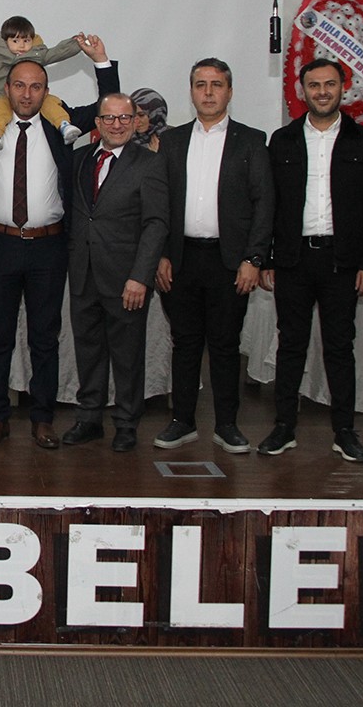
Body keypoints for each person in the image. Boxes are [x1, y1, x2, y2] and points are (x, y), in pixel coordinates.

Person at [0, 18, 119, 449]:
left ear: (46, 90)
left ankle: (42, 420)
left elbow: (107, 104)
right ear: (6, 87)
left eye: (36, 87)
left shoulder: (62, 125)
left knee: (44, 340)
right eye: (19, 85)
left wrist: (102, 62)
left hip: (48, 248)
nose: (26, 94)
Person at [257, 59, 363, 462]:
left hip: (342, 261)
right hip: (293, 259)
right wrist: (267, 258)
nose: (323, 92)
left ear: (343, 88)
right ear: (303, 90)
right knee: (290, 345)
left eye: (330, 84)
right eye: (314, 85)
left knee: (339, 347)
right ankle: (284, 427)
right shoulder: (283, 140)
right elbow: (270, 205)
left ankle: (344, 431)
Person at [153, 57, 273, 454]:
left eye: (216, 85)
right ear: (191, 92)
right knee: (185, 342)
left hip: (230, 261)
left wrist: (254, 259)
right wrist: (162, 255)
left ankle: (227, 425)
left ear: (229, 91)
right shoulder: (171, 141)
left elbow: (264, 203)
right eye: (200, 85)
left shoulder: (251, 140)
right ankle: (182, 421)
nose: (208, 92)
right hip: (181, 258)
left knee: (224, 344)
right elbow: (160, 204)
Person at [61, 94, 168, 453]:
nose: (117, 124)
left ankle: (126, 423)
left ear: (136, 121)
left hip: (127, 279)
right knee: (88, 351)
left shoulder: (150, 163)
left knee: (127, 356)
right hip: (83, 273)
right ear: (98, 123)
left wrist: (140, 276)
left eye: (125, 118)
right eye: (109, 118)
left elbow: (156, 224)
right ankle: (89, 418)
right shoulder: (79, 159)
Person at [0, 2, 86, 153]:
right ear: (5, 40)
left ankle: (64, 125)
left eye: (26, 41)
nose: (21, 45)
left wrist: (77, 44)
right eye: (15, 41)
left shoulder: (37, 53)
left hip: (32, 102)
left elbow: (57, 52)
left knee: (51, 102)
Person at [130, 87, 170, 152]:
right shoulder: (125, 140)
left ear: (155, 114)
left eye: (141, 115)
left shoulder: (174, 138)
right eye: (133, 115)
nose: (136, 121)